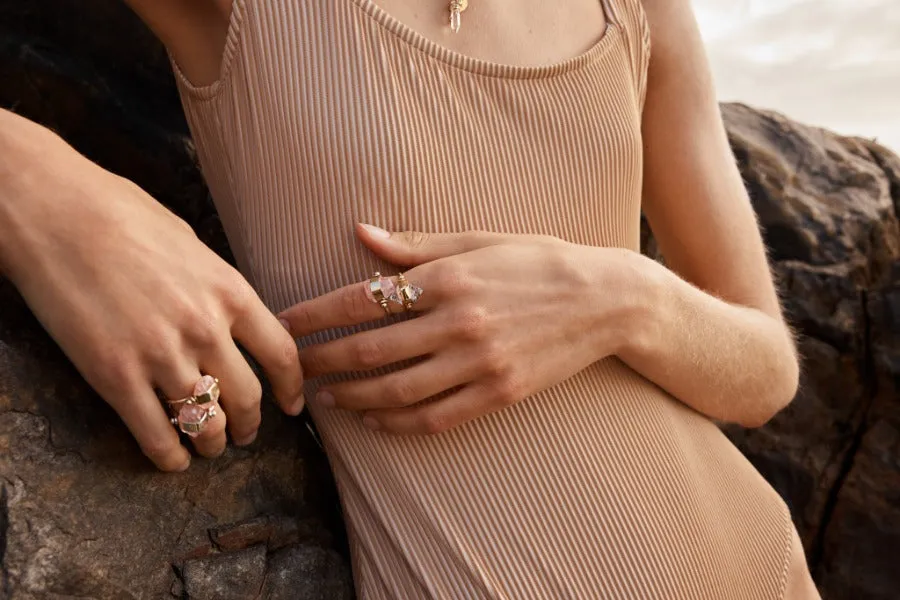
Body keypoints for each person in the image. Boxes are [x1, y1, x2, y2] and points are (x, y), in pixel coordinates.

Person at [0, 0, 822, 597]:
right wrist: (43, 190)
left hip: (763, 566)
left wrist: (620, 293)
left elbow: (764, 373)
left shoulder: (645, 11)